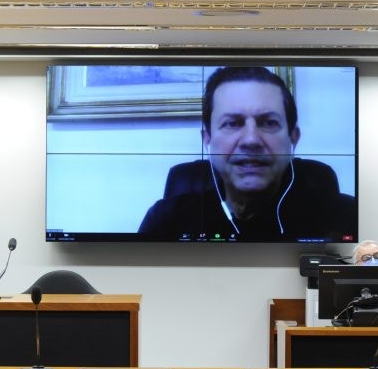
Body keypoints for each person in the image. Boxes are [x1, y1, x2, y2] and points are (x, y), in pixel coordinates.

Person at [138, 66, 356, 241]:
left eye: (269, 122)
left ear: (293, 138)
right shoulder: (165, 219)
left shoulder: (344, 216)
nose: (251, 140)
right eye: (232, 123)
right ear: (207, 139)